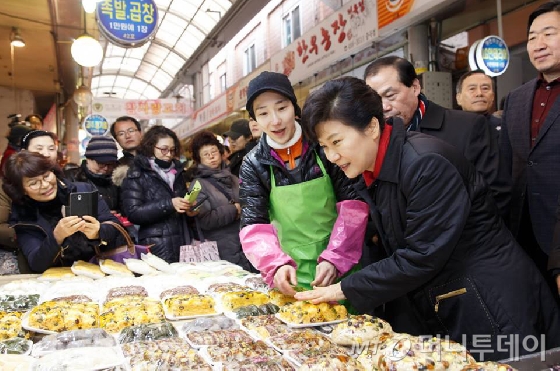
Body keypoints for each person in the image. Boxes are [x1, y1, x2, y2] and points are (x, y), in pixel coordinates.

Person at [295, 76, 560, 360]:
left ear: (372, 127)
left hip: (493, 306)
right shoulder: (374, 169)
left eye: (336, 141)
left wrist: (344, 288)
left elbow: (421, 255)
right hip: (454, 299)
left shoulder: (425, 163)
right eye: (324, 146)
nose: (331, 155)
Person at [239, 71, 368, 295]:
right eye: (263, 113)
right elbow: (253, 223)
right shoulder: (253, 164)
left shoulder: (322, 144)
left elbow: (353, 203)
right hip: (290, 274)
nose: (275, 120)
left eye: (282, 108)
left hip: (343, 265)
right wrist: (275, 264)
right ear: (255, 120)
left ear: (294, 107)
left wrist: (335, 258)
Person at [364, 57, 510, 221]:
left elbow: (496, 194)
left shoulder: (468, 127)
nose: (384, 107)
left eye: (390, 95)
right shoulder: (376, 141)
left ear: (415, 87)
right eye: (376, 100)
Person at [501, 0, 560, 297]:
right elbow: (506, 169)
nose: (538, 44)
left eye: (549, 33)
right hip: (523, 233)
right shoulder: (515, 99)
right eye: (533, 36)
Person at [2, 151, 124, 273]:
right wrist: (57, 236)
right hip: (58, 280)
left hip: (99, 271)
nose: (45, 185)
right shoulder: (24, 216)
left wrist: (97, 232)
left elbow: (116, 227)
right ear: (22, 190)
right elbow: (36, 263)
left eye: (46, 176)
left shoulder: (82, 190)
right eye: (33, 183)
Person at [120, 125, 194, 263]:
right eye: (164, 149)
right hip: (156, 245)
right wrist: (169, 204)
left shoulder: (177, 172)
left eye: (172, 150)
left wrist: (189, 209)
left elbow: (181, 203)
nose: (169, 154)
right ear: (151, 147)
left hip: (183, 240)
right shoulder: (136, 174)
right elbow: (133, 213)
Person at [189, 131, 254, 271]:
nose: (211, 156)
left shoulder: (234, 179)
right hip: (221, 249)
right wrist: (234, 209)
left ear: (221, 152)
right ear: (198, 159)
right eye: (206, 154)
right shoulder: (197, 184)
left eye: (214, 151)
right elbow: (204, 220)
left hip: (246, 244)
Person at [0, 130, 60, 273]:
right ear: (24, 152)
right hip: (27, 257)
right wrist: (29, 234)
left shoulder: (61, 180)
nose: (46, 153)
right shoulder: (8, 185)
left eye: (51, 148)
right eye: (39, 148)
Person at [66, 136, 120, 212]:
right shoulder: (71, 177)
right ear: (88, 159)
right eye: (101, 164)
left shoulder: (117, 179)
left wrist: (118, 213)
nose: (106, 168)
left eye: (111, 164)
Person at [456, 69, 502, 137]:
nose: (479, 93)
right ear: (458, 98)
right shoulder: (450, 128)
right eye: (472, 89)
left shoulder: (504, 127)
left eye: (485, 88)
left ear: (492, 96)